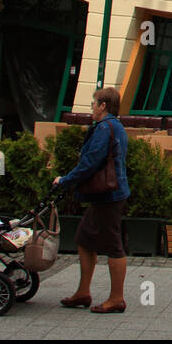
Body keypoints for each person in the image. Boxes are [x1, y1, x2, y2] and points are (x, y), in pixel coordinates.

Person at [54, 87, 129, 313]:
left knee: (114, 245)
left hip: (109, 195)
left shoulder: (106, 129)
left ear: (103, 105)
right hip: (107, 194)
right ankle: (83, 292)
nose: (91, 108)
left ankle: (116, 298)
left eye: (93, 104)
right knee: (84, 239)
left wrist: (65, 180)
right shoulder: (114, 127)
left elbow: (90, 163)